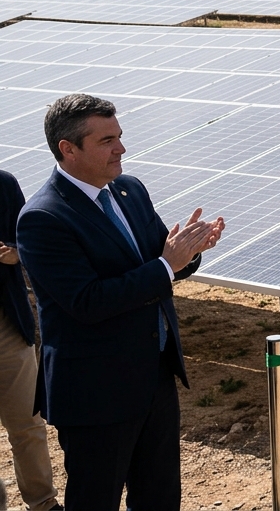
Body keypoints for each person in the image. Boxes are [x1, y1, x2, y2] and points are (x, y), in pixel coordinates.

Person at [17, 93, 224, 510]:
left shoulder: (128, 190)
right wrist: (167, 266)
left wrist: (189, 253)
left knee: (160, 498)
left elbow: (157, 261)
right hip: (96, 393)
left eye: (120, 136)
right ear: (68, 149)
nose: (121, 148)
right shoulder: (44, 218)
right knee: (96, 500)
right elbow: (87, 301)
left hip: (154, 376)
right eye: (107, 140)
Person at [1, 170, 63, 511]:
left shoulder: (4, 185)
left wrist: (14, 254)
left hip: (8, 325)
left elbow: (28, 245)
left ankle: (42, 503)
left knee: (27, 423)